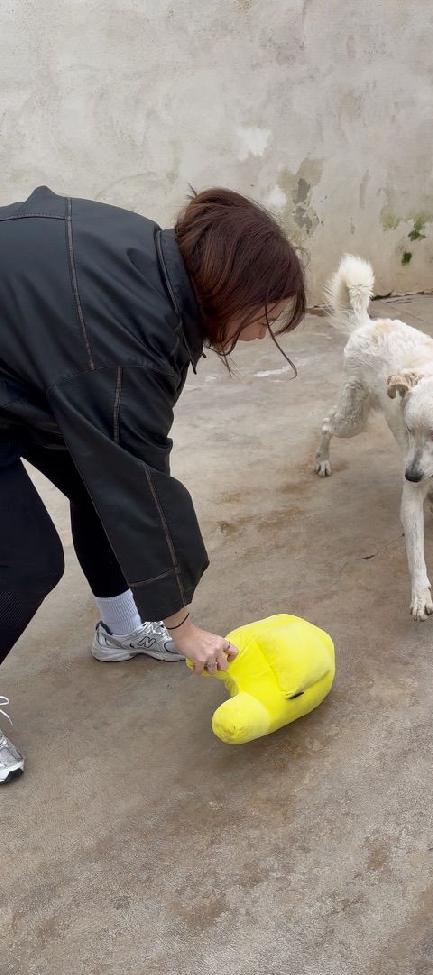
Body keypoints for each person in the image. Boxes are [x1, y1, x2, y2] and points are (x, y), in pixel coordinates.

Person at [0, 185, 305, 781]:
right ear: (227, 289)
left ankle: (120, 630)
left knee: (97, 478)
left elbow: (116, 469)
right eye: (262, 318)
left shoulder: (151, 257)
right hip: (21, 369)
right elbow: (140, 487)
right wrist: (183, 625)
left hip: (23, 364)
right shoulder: (125, 349)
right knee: (27, 559)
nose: (254, 335)